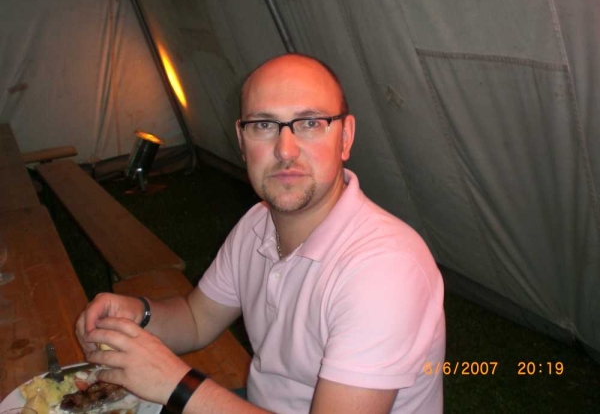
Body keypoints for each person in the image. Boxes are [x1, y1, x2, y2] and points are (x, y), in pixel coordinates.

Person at [76, 53, 445, 413]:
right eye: (264, 125)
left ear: (345, 137)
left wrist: (177, 385)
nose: (285, 150)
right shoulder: (258, 223)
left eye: (310, 122)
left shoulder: (385, 269)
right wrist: (138, 314)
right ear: (242, 141)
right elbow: (196, 319)